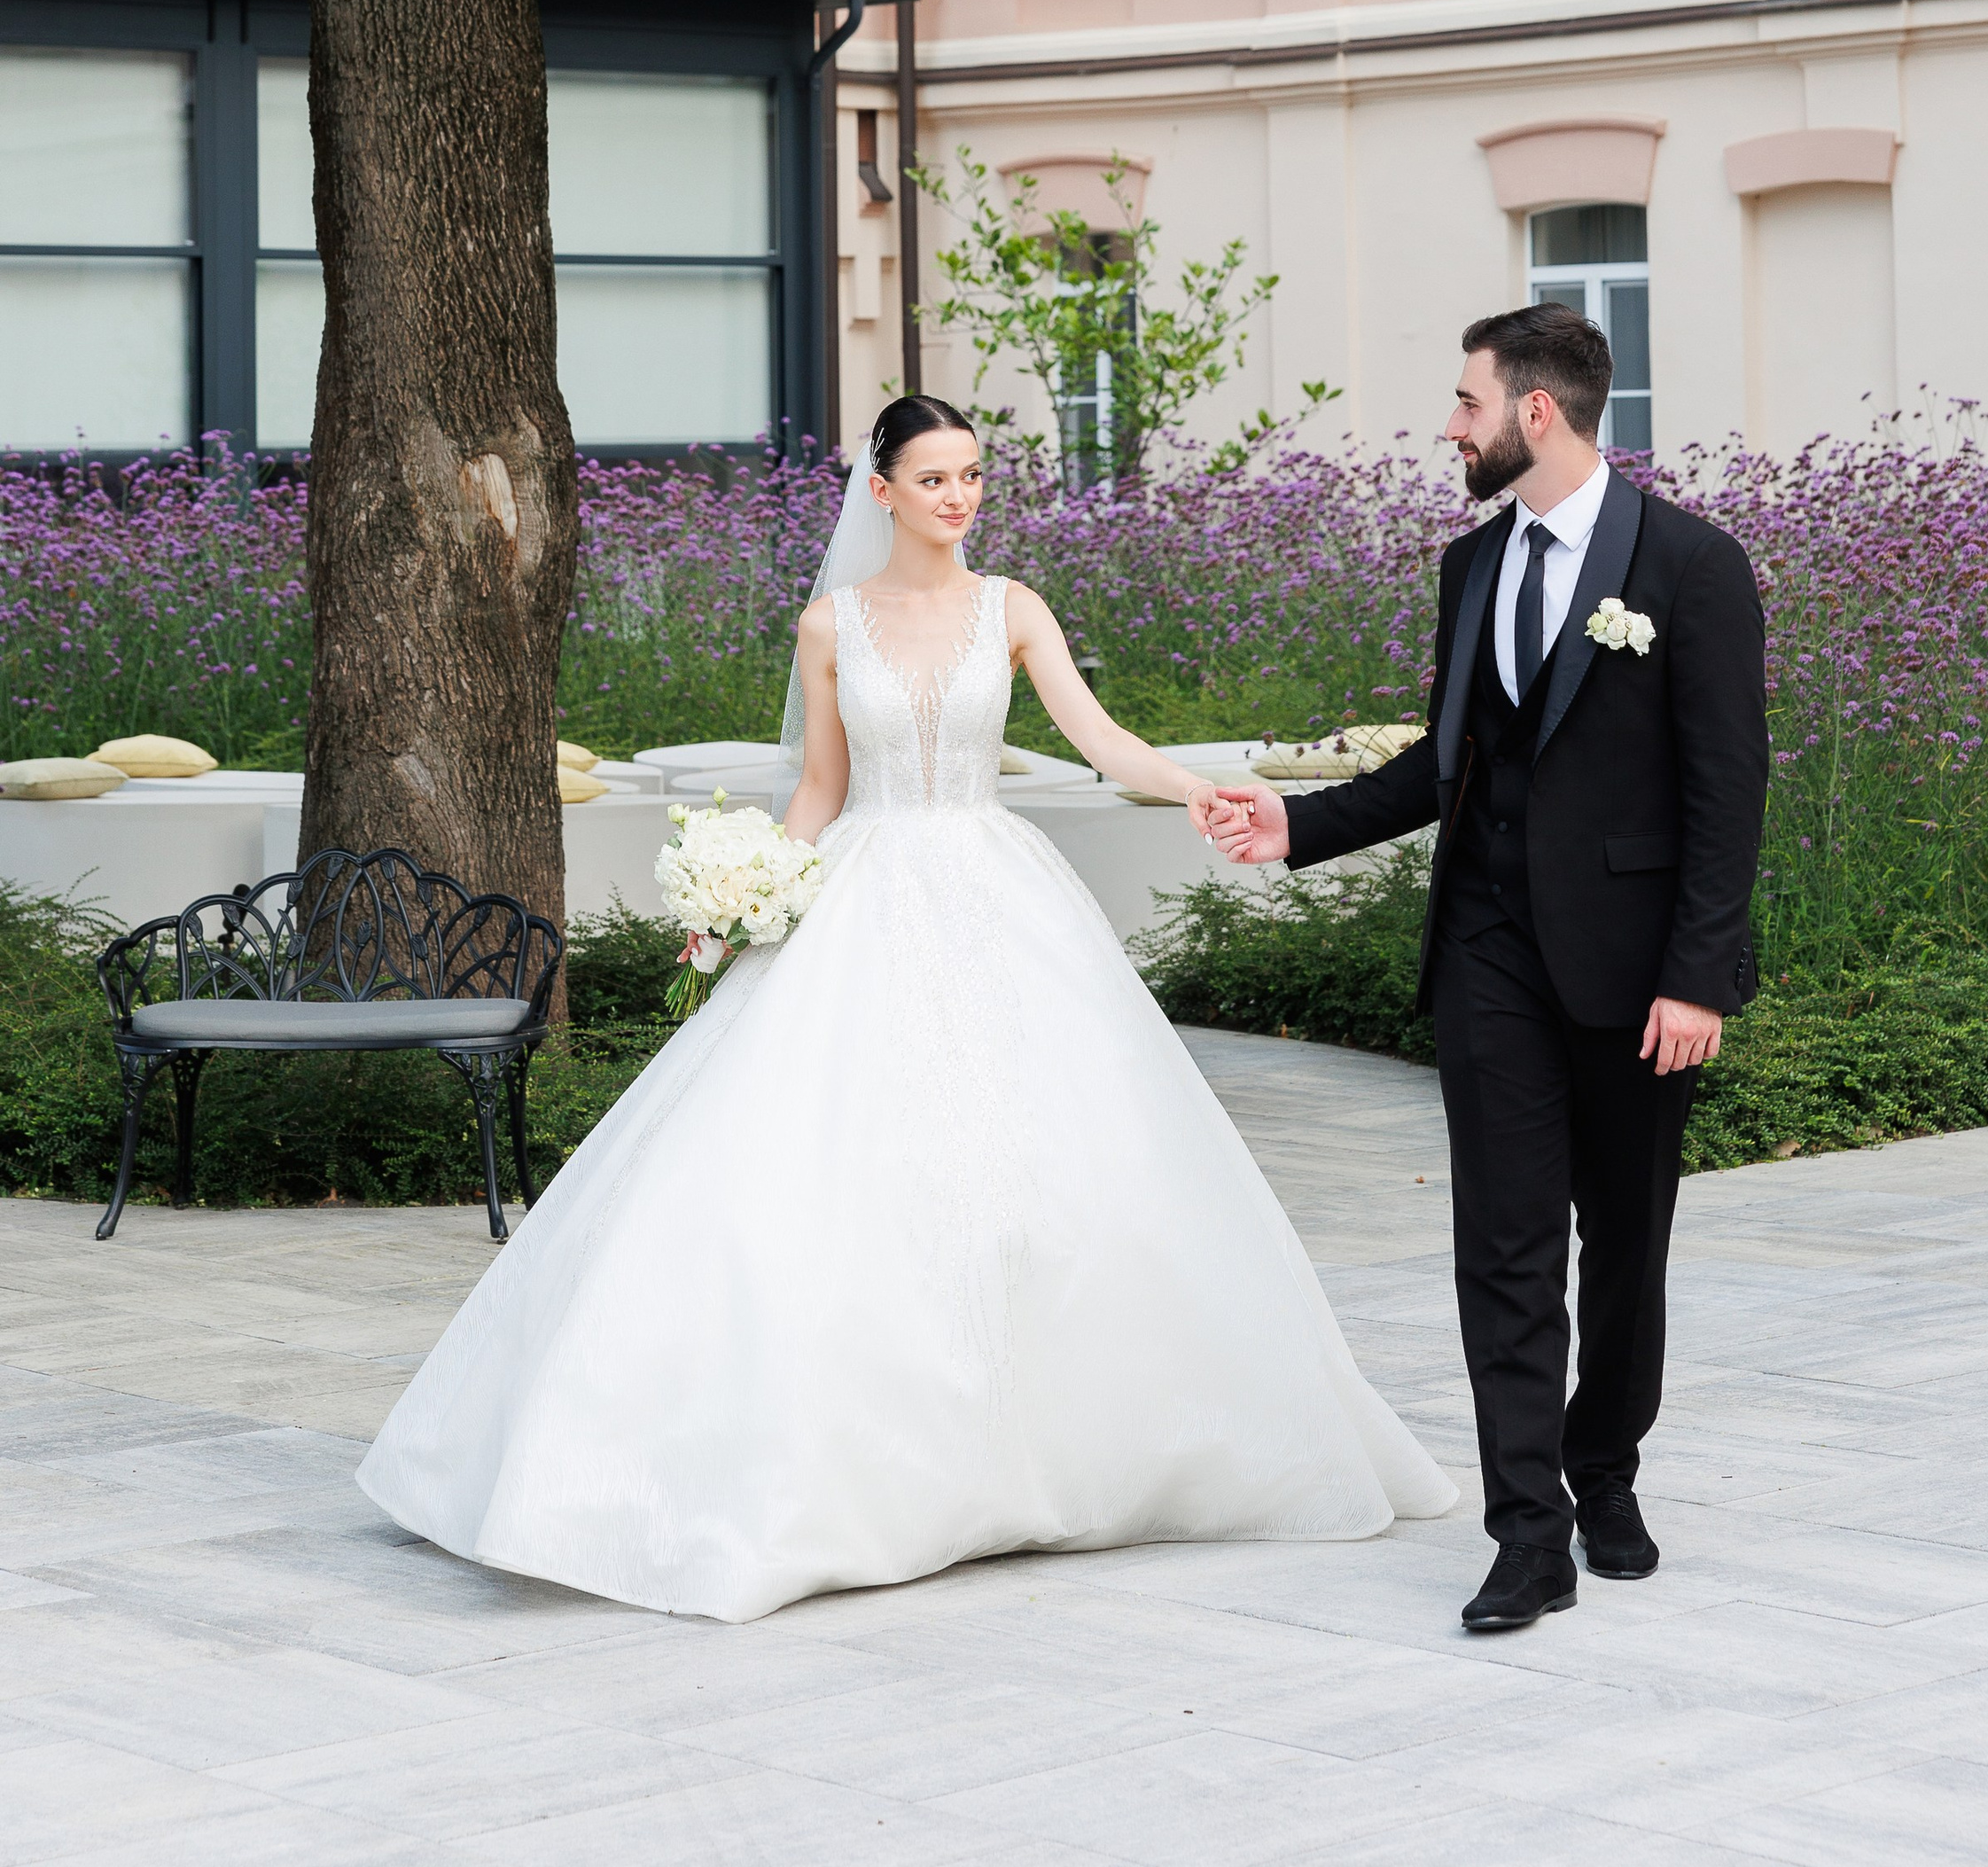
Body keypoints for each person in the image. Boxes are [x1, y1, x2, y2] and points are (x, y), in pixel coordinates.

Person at [358, 393, 1456, 1621]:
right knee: (835, 1157)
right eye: (934, 479)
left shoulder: (1013, 608)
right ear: (880, 491)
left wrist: (1214, 796)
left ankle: (1056, 1441)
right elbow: (821, 784)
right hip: (865, 891)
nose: (959, 498)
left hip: (996, 888)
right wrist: (747, 892)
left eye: (973, 476)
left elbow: (1103, 741)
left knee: (1048, 1160)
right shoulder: (830, 625)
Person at [1206, 308, 1767, 1635]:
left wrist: (1700, 977)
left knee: (1626, 1247)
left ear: (1536, 413)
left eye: (1465, 402)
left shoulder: (1691, 565)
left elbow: (1727, 790)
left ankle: (1604, 1468)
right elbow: (1448, 762)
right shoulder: (1471, 566)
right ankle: (1528, 1532)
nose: (1447, 426)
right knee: (1503, 1250)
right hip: (1489, 956)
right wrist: (1301, 825)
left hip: (1639, 977)